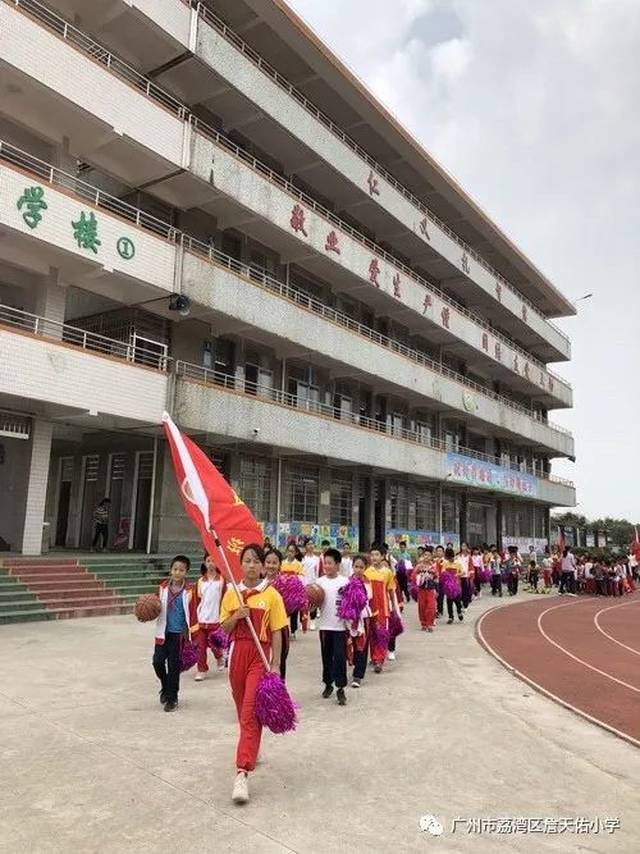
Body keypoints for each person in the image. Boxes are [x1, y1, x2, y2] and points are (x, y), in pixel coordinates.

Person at [220, 544, 287, 805]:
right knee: (242, 710)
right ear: (241, 564)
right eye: (246, 560)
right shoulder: (231, 593)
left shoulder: (271, 595)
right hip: (237, 655)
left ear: (262, 566)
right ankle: (251, 747)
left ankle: (242, 772)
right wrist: (237, 615)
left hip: (260, 657)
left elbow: (278, 631)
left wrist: (277, 665)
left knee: (249, 712)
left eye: (255, 561)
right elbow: (223, 628)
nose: (251, 565)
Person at [152, 555, 198, 712]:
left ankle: (172, 698)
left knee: (173, 667)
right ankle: (165, 686)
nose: (178, 572)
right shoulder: (162, 588)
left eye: (181, 570)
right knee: (157, 662)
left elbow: (193, 613)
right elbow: (154, 606)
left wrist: (193, 635)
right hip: (163, 632)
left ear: (186, 572)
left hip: (178, 635)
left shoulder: (190, 591)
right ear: (171, 570)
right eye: (175, 569)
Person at [314, 548, 349, 705]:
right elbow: (312, 603)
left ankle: (340, 688)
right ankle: (328, 683)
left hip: (340, 627)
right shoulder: (319, 582)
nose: (326, 566)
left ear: (337, 564)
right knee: (326, 656)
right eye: (325, 563)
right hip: (325, 626)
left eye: (330, 563)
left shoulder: (345, 582)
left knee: (340, 658)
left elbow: (352, 604)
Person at [365, 543, 397, 673]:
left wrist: (394, 606)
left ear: (383, 556)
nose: (374, 557)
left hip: (383, 608)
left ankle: (379, 659)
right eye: (372, 555)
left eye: (377, 555)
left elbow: (390, 591)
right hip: (370, 608)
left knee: (381, 633)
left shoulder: (388, 572)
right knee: (371, 633)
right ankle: (374, 657)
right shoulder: (367, 572)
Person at [194, 553, 226, 681]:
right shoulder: (201, 581)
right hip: (202, 619)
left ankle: (219, 657)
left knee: (214, 644)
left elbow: (225, 599)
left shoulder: (222, 580)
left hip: (216, 619)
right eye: (208, 561)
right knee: (200, 646)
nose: (211, 564)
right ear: (204, 563)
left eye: (213, 561)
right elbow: (197, 600)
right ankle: (201, 669)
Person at [264, 548, 293, 681]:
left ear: (280, 565)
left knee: (279, 661)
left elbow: (291, 608)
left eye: (274, 563)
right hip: (261, 629)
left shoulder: (286, 584)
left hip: (280, 628)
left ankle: (279, 691)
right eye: (268, 562)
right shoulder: (257, 583)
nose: (271, 565)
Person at [348, 555, 372, 687]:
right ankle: (354, 663)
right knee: (350, 644)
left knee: (362, 645)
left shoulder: (368, 583)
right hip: (350, 619)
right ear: (352, 567)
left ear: (365, 568)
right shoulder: (346, 581)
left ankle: (358, 676)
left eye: (361, 567)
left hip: (364, 618)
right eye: (356, 567)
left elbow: (369, 599)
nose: (358, 570)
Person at [301, 538, 321, 631]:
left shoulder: (317, 559)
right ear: (305, 546)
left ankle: (312, 621)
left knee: (313, 603)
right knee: (303, 604)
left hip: (314, 583)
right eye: (309, 544)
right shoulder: (302, 558)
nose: (311, 546)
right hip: (304, 584)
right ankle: (303, 622)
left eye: (312, 544)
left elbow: (319, 572)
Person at [416, 555, 438, 631]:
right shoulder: (419, 567)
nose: (426, 557)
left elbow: (436, 578)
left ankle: (429, 624)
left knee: (431, 607)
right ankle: (423, 623)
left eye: (428, 555)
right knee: (422, 607)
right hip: (421, 590)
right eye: (425, 555)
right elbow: (414, 577)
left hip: (430, 590)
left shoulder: (433, 567)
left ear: (431, 557)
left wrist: (437, 590)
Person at [456, 542, 472, 608]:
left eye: (465, 545)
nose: (463, 547)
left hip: (466, 576)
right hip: (459, 576)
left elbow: (471, 567)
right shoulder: (458, 556)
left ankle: (465, 605)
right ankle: (460, 603)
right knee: (459, 591)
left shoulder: (469, 557)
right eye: (462, 545)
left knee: (465, 591)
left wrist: (470, 575)